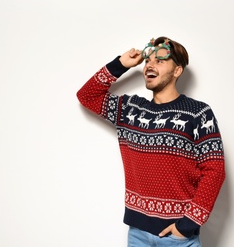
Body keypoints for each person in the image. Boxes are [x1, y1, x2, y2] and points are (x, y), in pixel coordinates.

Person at [76, 37, 225, 247]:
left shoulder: (198, 113)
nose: (150, 65)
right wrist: (121, 63)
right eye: (148, 61)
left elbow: (214, 170)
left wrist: (188, 225)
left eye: (160, 60)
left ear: (177, 71)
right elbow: (87, 95)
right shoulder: (130, 110)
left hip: (178, 237)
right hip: (137, 234)